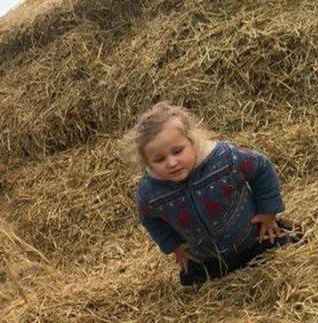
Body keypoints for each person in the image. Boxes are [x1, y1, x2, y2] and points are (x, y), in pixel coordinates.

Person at [126, 102, 301, 286]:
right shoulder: (150, 192)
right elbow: (148, 218)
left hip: (253, 237)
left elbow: (261, 168)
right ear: (147, 163)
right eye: (159, 159)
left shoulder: (225, 159)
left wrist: (268, 212)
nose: (171, 162)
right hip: (209, 257)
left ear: (192, 141)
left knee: (290, 240)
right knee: (191, 283)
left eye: (177, 151)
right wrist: (174, 245)